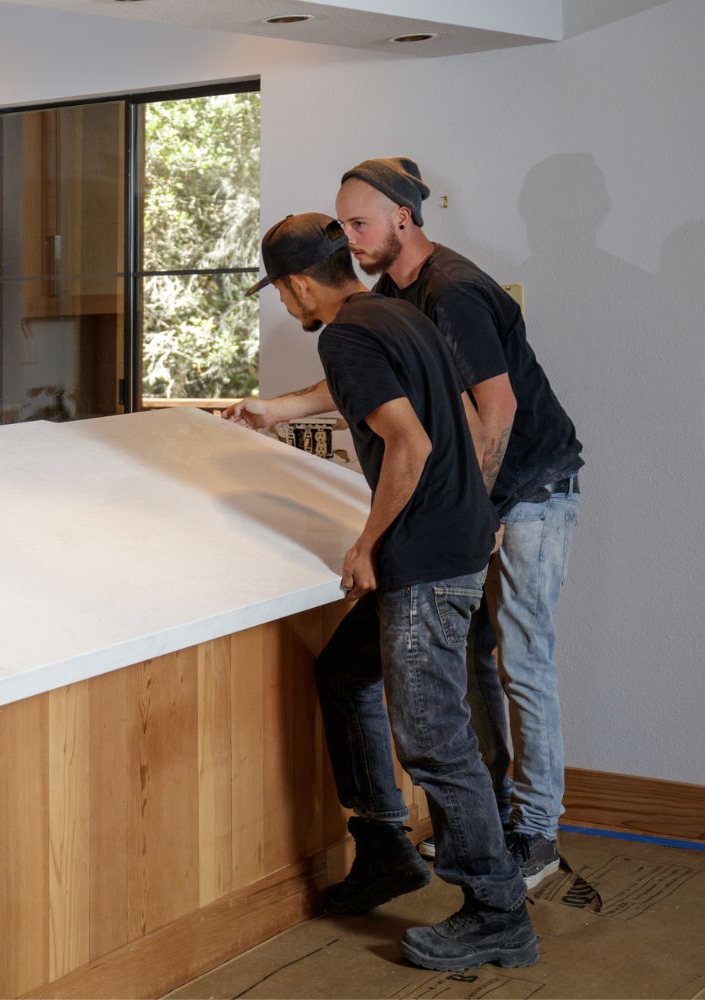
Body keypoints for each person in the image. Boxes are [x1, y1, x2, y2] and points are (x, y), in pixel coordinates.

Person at [228, 158, 582, 890]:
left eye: (359, 224)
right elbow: (386, 382)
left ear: (404, 217)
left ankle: (534, 836)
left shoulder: (451, 292)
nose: (350, 239)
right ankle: (466, 837)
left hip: (529, 489)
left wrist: (470, 511)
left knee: (519, 661)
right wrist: (278, 408)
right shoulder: (389, 299)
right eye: (342, 227)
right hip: (465, 506)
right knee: (459, 671)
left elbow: (495, 411)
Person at [245, 213, 535, 971]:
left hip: (424, 556)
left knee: (434, 738)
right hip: (458, 536)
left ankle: (496, 911)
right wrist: (275, 409)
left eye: (281, 291)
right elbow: (412, 407)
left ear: (299, 283)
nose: (284, 305)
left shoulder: (346, 335)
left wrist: (367, 543)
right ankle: (382, 845)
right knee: (344, 673)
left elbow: (409, 443)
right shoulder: (392, 313)